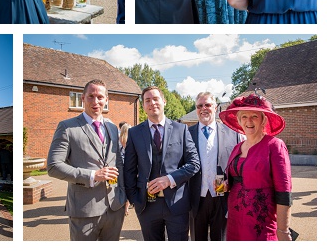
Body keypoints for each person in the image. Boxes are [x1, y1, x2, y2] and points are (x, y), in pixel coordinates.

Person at [47, 79, 127, 240]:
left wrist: (123, 196)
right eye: (91, 96)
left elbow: (119, 163)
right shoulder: (67, 127)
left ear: (106, 100)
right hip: (84, 210)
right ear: (83, 98)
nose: (95, 101)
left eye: (100, 97)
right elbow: (53, 166)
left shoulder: (112, 127)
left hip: (114, 208)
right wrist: (92, 175)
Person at [124, 86, 200, 241]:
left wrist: (170, 179)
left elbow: (194, 163)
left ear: (164, 101)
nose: (152, 103)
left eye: (156, 99)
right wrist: (135, 200)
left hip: (177, 204)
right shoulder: (134, 133)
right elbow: (129, 170)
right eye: (147, 100)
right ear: (143, 105)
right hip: (147, 206)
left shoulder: (181, 129)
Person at [218, 94, 292, 241]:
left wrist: (283, 230)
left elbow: (284, 192)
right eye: (244, 116)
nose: (249, 121)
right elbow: (236, 179)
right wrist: (225, 185)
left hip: (261, 222)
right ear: (239, 120)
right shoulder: (237, 147)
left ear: (263, 120)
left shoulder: (275, 145)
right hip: (234, 219)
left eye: (254, 116)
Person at [188, 92, 245, 241]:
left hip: (222, 198)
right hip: (195, 199)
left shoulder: (232, 134)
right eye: (199, 106)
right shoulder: (186, 134)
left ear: (216, 107)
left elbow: (239, 166)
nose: (203, 109)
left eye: (207, 105)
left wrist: (230, 183)